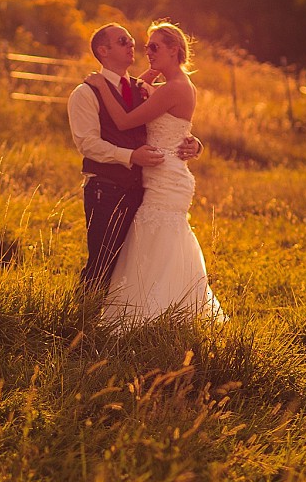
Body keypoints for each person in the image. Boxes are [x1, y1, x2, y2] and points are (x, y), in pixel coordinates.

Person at [84, 21, 224, 328]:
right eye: (145, 46)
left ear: (175, 50)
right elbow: (141, 87)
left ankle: (152, 313)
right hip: (163, 172)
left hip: (165, 177)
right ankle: (156, 310)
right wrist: (155, 69)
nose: (147, 52)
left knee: (157, 239)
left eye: (155, 47)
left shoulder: (173, 88)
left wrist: (100, 86)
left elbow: (123, 120)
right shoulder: (172, 85)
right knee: (156, 238)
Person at [67, 22, 201, 303]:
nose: (134, 46)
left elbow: (164, 121)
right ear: (103, 51)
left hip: (142, 187)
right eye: (123, 41)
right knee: (102, 263)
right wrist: (130, 156)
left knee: (134, 258)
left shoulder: (139, 88)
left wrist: (194, 142)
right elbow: (87, 145)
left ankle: (152, 310)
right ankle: (79, 322)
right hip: (106, 187)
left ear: (174, 49)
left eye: (135, 41)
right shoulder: (85, 92)